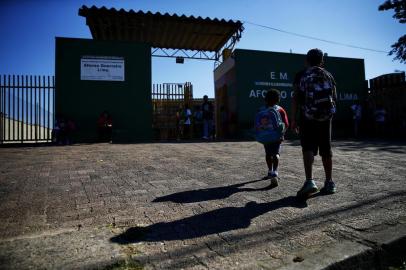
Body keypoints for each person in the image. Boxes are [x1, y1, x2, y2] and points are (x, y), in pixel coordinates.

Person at [291, 48, 337, 197]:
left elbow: (296, 98)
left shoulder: (301, 75)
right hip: (326, 117)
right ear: (322, 60)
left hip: (307, 117)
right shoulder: (329, 75)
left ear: (307, 60)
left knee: (308, 147)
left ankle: (310, 181)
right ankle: (329, 182)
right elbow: (334, 97)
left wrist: (293, 119)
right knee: (326, 148)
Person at [257, 89, 289, 187]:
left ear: (266, 99)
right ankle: (275, 172)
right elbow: (286, 124)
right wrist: (282, 133)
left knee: (268, 153)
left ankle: (269, 171)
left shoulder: (261, 109)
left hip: (265, 137)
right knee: (276, 153)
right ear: (278, 99)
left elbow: (257, 124)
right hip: (277, 137)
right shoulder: (280, 109)